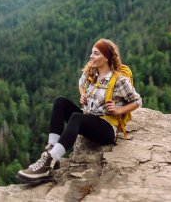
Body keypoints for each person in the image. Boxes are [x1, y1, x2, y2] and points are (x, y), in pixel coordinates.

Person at [17, 38, 142, 182]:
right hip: (89, 119)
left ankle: (48, 165)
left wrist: (119, 110)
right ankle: (51, 152)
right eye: (92, 53)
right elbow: (81, 84)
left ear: (106, 57)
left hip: (106, 128)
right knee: (60, 102)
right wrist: (83, 95)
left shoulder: (119, 80)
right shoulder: (92, 71)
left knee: (76, 117)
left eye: (96, 53)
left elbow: (137, 101)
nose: (91, 56)